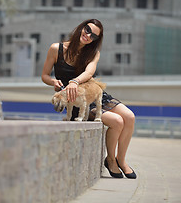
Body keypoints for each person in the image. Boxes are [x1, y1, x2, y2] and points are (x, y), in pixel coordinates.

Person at [41, 19, 136, 179]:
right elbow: (44, 75)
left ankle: (121, 159)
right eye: (87, 30)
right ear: (81, 27)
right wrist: (53, 81)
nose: (88, 36)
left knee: (130, 117)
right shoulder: (55, 49)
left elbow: (89, 73)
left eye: (94, 36)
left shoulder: (93, 54)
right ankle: (111, 160)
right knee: (117, 121)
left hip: (93, 93)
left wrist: (74, 81)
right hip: (76, 101)